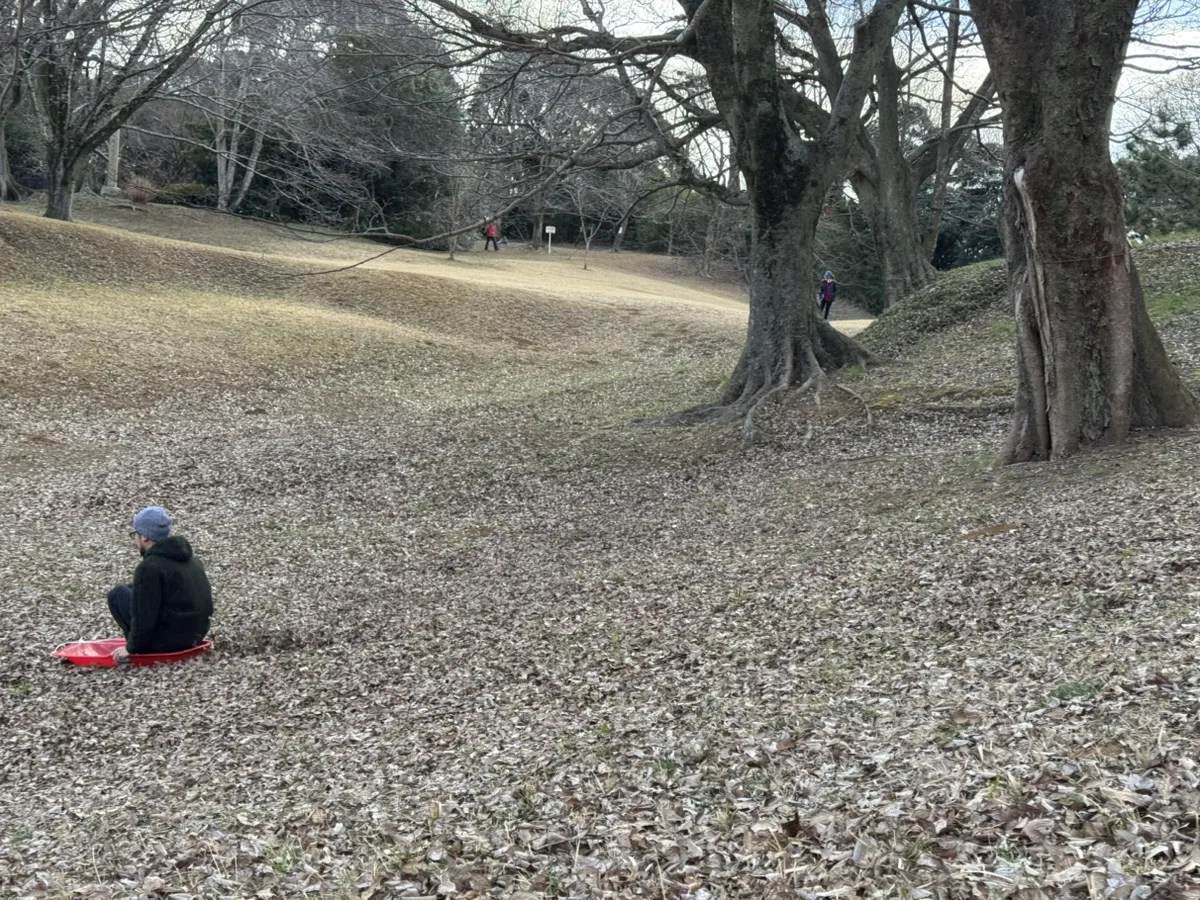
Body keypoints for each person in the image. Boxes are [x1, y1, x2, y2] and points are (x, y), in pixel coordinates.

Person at [107, 506, 213, 662]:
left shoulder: (149, 568)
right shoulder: (191, 560)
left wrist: (132, 648)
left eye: (135, 534)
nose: (135, 540)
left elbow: (144, 616)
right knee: (132, 589)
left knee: (117, 594)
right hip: (196, 636)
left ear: (144, 537)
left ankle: (140, 647)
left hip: (168, 643)